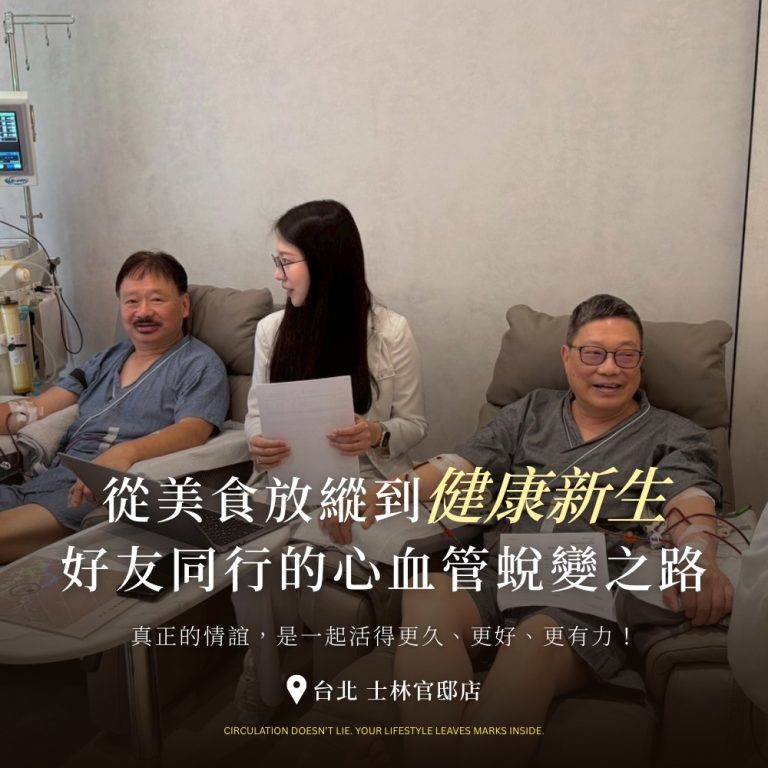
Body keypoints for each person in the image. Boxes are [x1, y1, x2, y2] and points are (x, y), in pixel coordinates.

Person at [345, 293, 733, 766]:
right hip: (501, 570)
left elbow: (689, 500)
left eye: (625, 355)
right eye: (593, 353)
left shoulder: (675, 433)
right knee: (427, 593)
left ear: (641, 363)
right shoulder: (530, 411)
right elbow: (460, 465)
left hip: (588, 589)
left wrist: (699, 558)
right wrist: (390, 492)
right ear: (566, 357)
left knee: (534, 644)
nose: (609, 368)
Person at [234, 199, 428, 722]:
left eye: (285, 262)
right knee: (245, 554)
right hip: (286, 478)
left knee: (308, 546)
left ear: (325, 264)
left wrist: (376, 433)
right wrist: (257, 442)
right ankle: (262, 671)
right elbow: (255, 415)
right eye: (276, 261)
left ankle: (322, 696)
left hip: (364, 480)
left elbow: (415, 425)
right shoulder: (272, 331)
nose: (277, 275)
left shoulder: (390, 332)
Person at [0, 250, 229, 564]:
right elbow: (37, 407)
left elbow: (193, 430)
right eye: (131, 301)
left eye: (157, 300)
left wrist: (124, 453)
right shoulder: (108, 358)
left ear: (184, 305)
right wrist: (15, 414)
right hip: (44, 479)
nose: (143, 312)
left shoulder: (199, 364)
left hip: (96, 492)